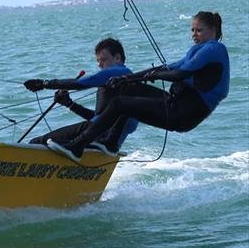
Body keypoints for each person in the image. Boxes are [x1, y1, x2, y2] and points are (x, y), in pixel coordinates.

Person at [48, 11, 229, 162]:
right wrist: (126, 79)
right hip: (177, 105)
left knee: (120, 103)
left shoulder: (213, 49)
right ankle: (110, 143)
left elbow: (178, 74)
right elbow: (164, 68)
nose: (194, 34)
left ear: (213, 30)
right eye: (192, 30)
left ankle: (77, 146)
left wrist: (154, 75)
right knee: (128, 89)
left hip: (184, 114)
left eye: (199, 30)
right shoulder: (199, 50)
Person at [24, 37, 138, 150]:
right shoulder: (124, 82)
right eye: (98, 61)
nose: (99, 65)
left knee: (35, 143)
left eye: (103, 60)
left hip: (96, 135)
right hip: (106, 145)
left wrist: (45, 83)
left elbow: (82, 83)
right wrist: (70, 104)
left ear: (117, 58)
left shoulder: (119, 72)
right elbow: (101, 118)